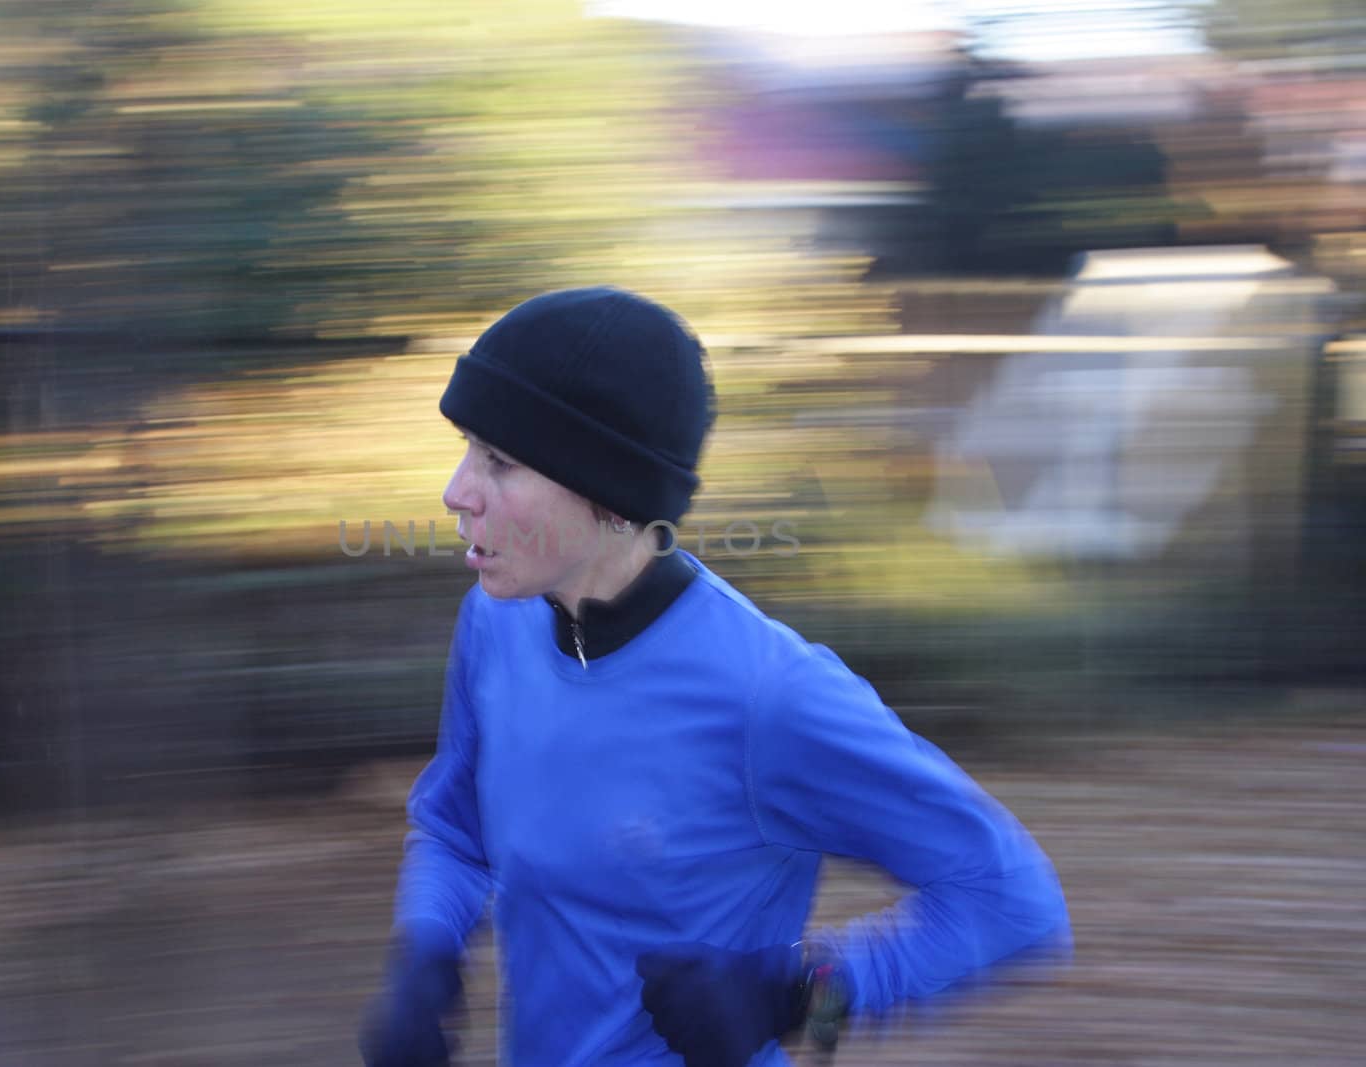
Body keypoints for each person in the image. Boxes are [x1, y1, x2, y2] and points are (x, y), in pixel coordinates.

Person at [358, 287, 1071, 1067]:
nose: (456, 491)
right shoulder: (496, 625)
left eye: (500, 460)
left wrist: (794, 991)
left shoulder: (769, 695)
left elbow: (1010, 897)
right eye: (467, 446)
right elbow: (458, 832)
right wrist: (423, 953)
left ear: (608, 493)